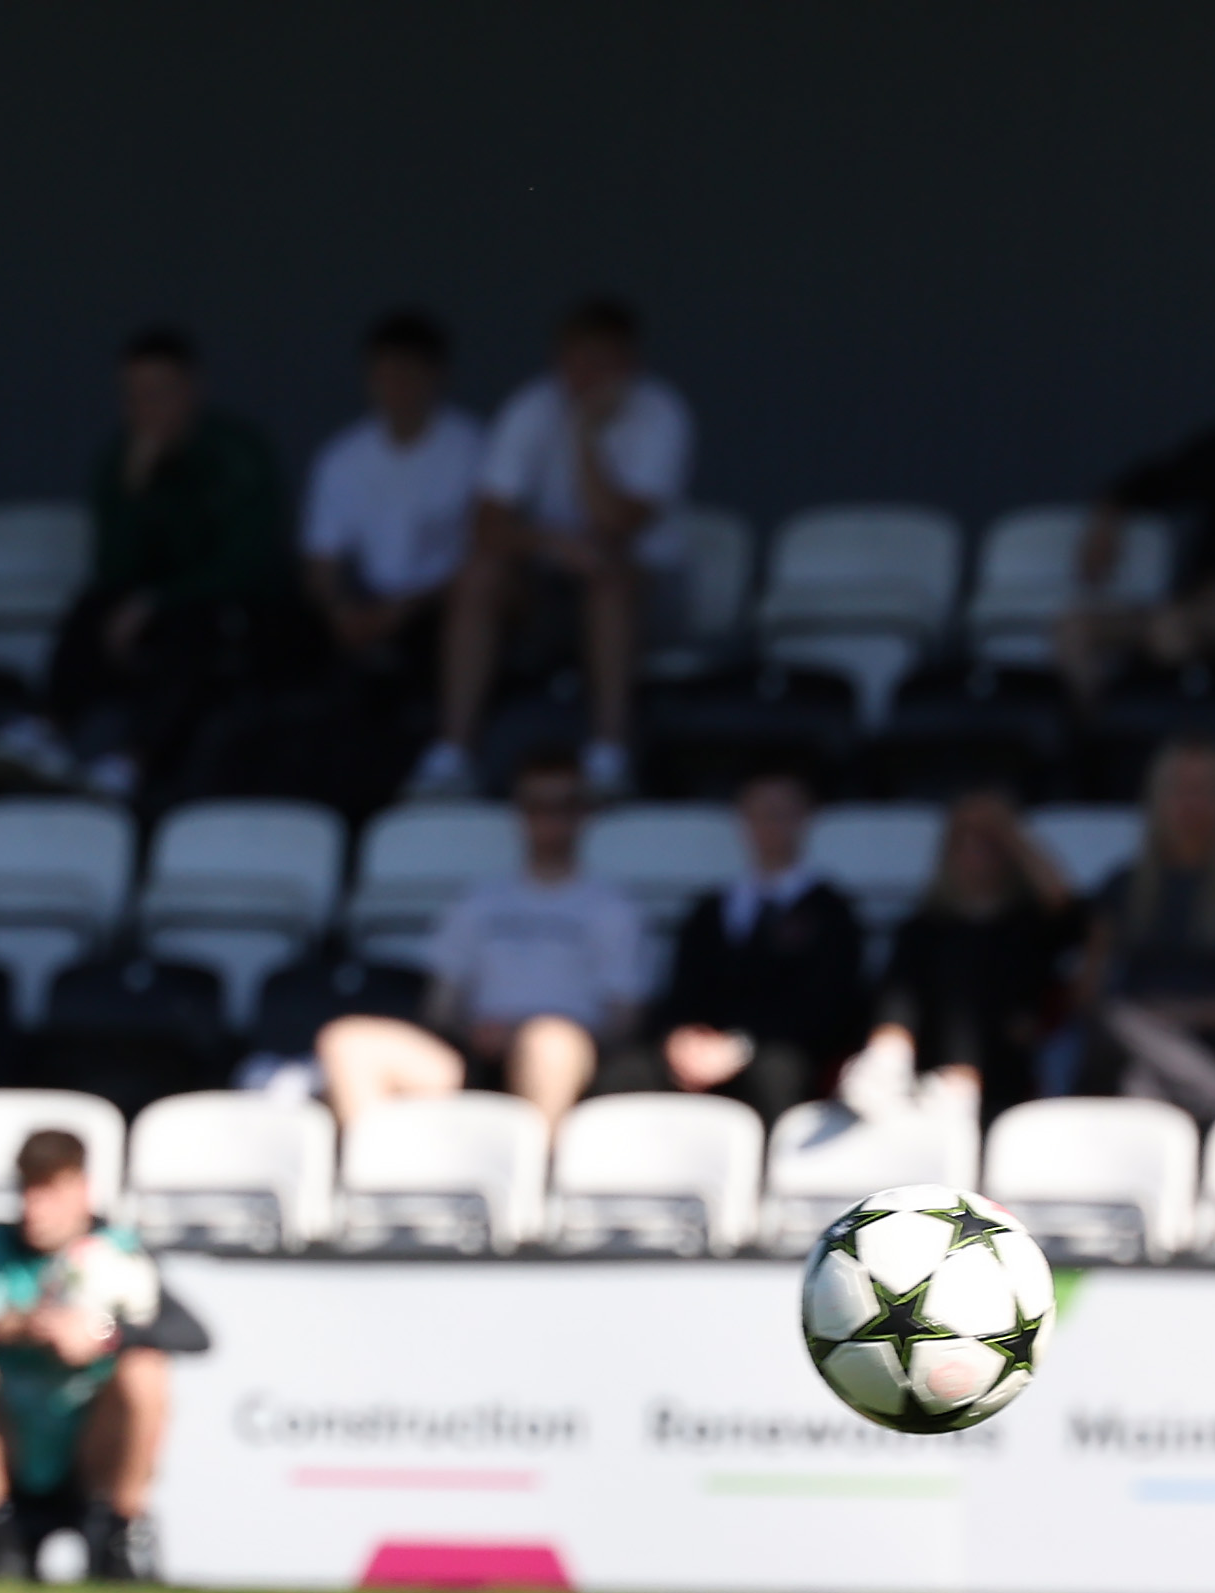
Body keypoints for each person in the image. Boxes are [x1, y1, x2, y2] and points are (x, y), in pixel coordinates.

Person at [409, 297, 694, 803]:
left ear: (629, 364)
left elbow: (616, 525)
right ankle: (452, 754)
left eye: (599, 362)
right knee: (479, 576)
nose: (583, 375)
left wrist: (586, 435)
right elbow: (487, 524)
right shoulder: (532, 406)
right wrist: (552, 542)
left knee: (609, 576)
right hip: (551, 586)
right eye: (574, 360)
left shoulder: (661, 413)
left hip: (647, 595)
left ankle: (609, 755)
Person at [0, 1129, 200, 1584]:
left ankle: (119, 1531)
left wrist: (102, 1334)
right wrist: (17, 1327)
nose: (35, 1209)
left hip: (90, 1446)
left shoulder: (116, 1252)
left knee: (146, 1370)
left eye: (49, 1192)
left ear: (82, 1191)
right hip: (14, 1443)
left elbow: (189, 1332)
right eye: (29, 1191)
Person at [317, 747, 641, 1126]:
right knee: (348, 1042)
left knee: (547, 1043)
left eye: (565, 805)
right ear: (518, 812)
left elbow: (625, 1019)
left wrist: (530, 1033)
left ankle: (535, 1176)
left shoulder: (611, 906)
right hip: (475, 1053)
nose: (550, 818)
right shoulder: (478, 901)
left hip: (569, 1059)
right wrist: (475, 1032)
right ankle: (370, 1177)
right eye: (537, 805)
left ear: (585, 813)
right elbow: (441, 1003)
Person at [38, 325, 290, 804]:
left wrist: (158, 600)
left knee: (192, 629)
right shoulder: (121, 459)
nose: (145, 411)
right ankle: (44, 732)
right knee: (90, 607)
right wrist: (134, 493)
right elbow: (113, 569)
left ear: (192, 391)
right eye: (133, 397)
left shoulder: (236, 452)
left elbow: (250, 565)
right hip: (144, 615)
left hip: (231, 616)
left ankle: (132, 761)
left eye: (158, 395)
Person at [624, 772, 871, 1123]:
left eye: (781, 813)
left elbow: (826, 1006)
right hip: (702, 1050)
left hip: (780, 1051)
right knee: (625, 1076)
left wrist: (741, 1045)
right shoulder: (711, 907)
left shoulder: (831, 911)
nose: (770, 825)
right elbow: (681, 989)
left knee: (774, 1074)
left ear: (805, 819)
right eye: (759, 813)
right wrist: (679, 1038)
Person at [840, 787, 1079, 1120]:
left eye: (988, 841)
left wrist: (1009, 830)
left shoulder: (1030, 921)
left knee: (964, 960)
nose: (975, 851)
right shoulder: (924, 927)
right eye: (964, 839)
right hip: (928, 1055)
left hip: (1007, 1058)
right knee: (922, 952)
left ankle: (955, 1078)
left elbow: (1068, 909)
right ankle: (887, 1055)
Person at [302, 310, 481, 702]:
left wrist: (405, 610)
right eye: (385, 376)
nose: (396, 389)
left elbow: (486, 557)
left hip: (440, 606)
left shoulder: (473, 450)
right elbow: (322, 561)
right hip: (367, 601)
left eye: (409, 376)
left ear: (437, 376)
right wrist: (338, 610)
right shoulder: (341, 458)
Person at [1077, 737, 1215, 1112]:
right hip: (1124, 1037)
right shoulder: (1122, 886)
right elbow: (1088, 994)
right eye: (1180, 789)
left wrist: (1180, 1016)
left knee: (1140, 1081)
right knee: (1120, 1020)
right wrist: (1145, 1022)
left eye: (1204, 790)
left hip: (1209, 1042)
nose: (1191, 803)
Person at [1057, 399, 1215, 710]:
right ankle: (1105, 743)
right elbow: (1149, 482)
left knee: (1173, 632)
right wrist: (1105, 522)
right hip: (1192, 606)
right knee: (1074, 629)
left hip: (1209, 615)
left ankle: (1185, 743)